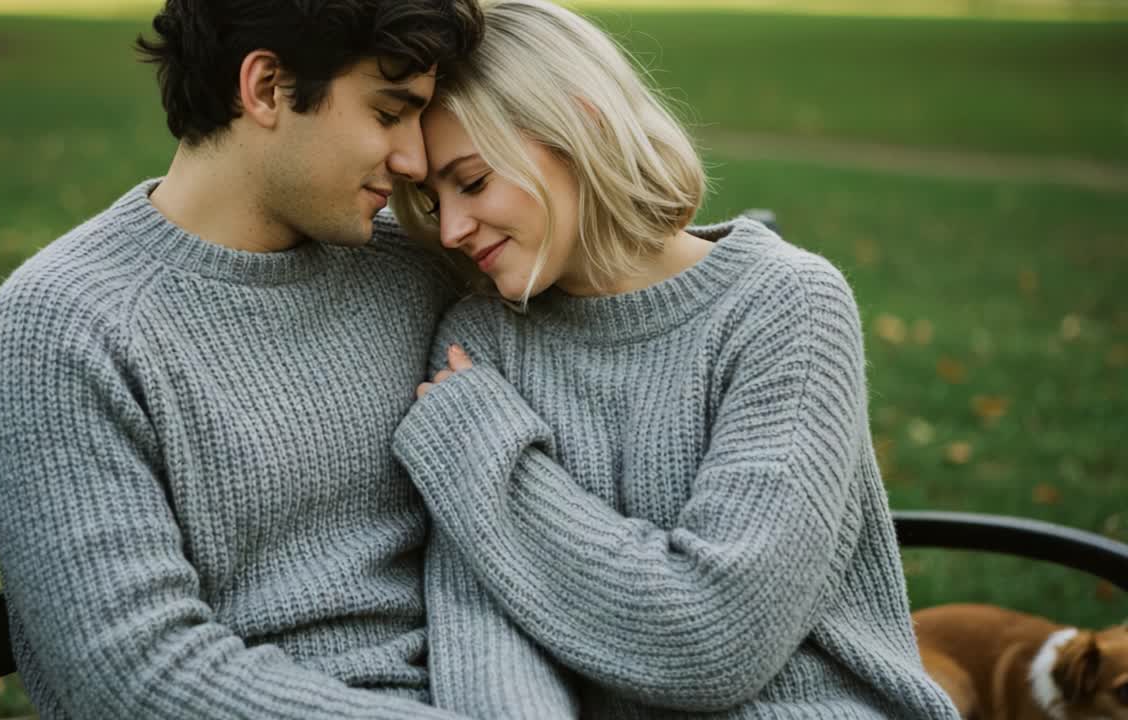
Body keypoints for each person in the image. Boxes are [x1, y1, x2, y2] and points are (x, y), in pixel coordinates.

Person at [391, 1, 961, 717]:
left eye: (471, 182)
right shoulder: (480, 342)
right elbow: (483, 637)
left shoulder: (785, 306)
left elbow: (720, 638)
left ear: (582, 124)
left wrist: (483, 453)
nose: (450, 229)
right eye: (429, 196)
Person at [0, 1, 494, 717]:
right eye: (388, 112)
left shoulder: (409, 268)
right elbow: (136, 672)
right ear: (266, 88)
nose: (414, 160)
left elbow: (610, 283)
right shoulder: (69, 323)